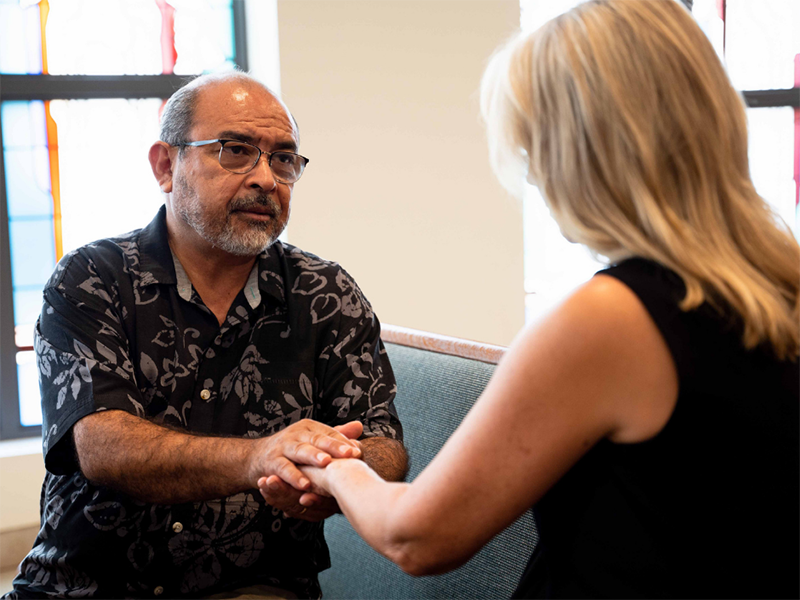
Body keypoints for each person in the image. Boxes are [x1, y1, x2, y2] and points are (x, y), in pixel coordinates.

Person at [283, 1, 800, 598]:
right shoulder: (775, 286)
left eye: (533, 145)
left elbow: (416, 538)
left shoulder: (613, 319)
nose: (533, 176)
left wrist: (335, 462)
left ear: (583, 149)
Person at [6, 72, 407, 600]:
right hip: (87, 588)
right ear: (166, 166)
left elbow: (385, 446)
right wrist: (261, 457)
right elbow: (102, 445)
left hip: (259, 588)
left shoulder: (324, 291)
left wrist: (327, 474)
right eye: (236, 150)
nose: (267, 177)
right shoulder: (92, 277)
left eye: (284, 159)